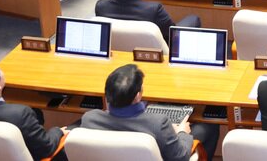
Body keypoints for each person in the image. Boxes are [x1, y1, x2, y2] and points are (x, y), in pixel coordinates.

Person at [79, 63, 217, 161]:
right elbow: (180, 156)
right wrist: (182, 132)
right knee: (209, 127)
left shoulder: (90, 119)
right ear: (138, 95)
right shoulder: (157, 123)